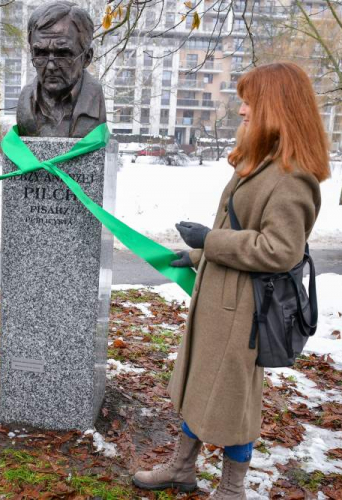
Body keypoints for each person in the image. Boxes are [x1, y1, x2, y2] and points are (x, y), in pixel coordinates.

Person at [133, 62, 330, 498]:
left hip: (246, 314)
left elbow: (280, 251)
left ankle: (231, 488)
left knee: (234, 402)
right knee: (199, 386)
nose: (241, 111)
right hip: (221, 303)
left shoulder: (292, 177)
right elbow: (243, 236)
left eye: (249, 102)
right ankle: (182, 468)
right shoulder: (263, 164)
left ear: (275, 107)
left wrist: (212, 240)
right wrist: (197, 253)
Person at [16, 0, 106, 138]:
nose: (51, 66)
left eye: (63, 54)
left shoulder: (95, 100)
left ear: (87, 58)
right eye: (41, 54)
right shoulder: (26, 101)